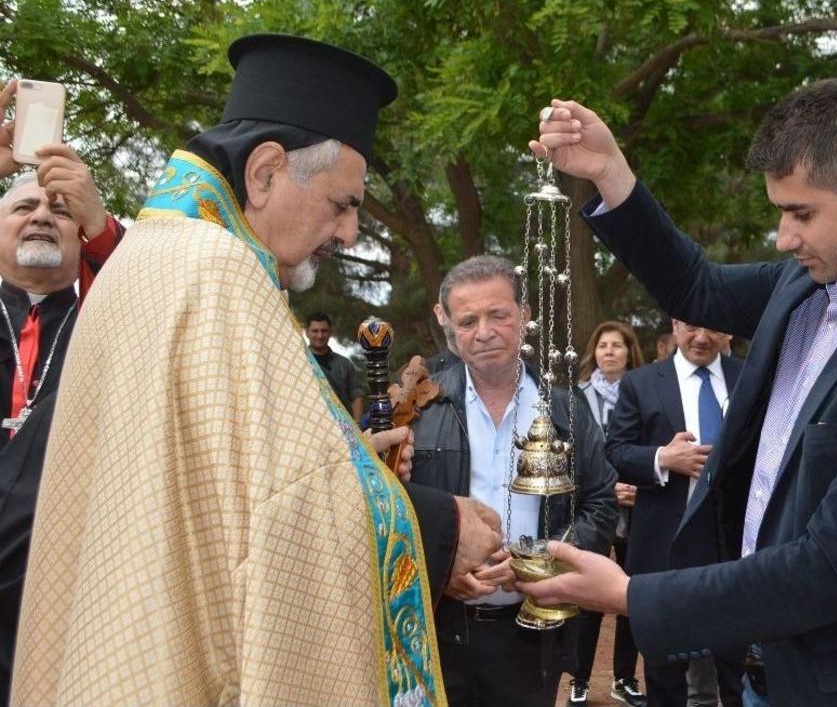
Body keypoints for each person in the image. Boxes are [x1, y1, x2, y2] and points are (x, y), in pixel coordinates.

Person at [11, 35, 503, 707]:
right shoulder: (220, 272)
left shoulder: (151, 253)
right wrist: (441, 527)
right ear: (267, 171)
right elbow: (289, 509)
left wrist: (350, 453)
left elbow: (216, 480)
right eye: (342, 203)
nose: (351, 234)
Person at [519, 79, 837, 707]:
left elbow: (831, 568)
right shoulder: (807, 283)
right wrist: (611, 173)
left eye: (800, 213)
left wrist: (628, 595)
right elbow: (696, 287)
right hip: (756, 671)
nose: (783, 237)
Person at [409, 255, 618, 707]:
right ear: (447, 324)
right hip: (439, 631)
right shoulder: (418, 409)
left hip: (532, 633)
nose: (484, 332)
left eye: (498, 315)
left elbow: (600, 503)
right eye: (468, 320)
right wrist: (441, 565)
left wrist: (539, 560)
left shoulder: (567, 410)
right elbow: (388, 506)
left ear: (524, 316)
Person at [0, 77, 126, 703]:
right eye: (24, 208)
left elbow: (151, 298)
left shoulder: (106, 314)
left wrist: (101, 221)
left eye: (59, 212)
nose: (43, 216)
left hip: (62, 583)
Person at [604, 319, 743, 707]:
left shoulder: (749, 376)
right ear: (675, 325)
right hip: (665, 547)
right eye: (691, 327)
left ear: (728, 331)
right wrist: (663, 457)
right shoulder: (642, 383)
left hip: (734, 548)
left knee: (738, 669)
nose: (701, 336)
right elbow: (615, 451)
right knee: (664, 675)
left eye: (712, 327)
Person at [569, 320, 646, 707]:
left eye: (618, 345)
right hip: (595, 509)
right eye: (603, 346)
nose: (610, 351)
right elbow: (570, 457)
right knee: (588, 597)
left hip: (638, 510)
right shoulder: (576, 397)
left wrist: (639, 485)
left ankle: (624, 678)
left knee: (630, 597)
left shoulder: (648, 393)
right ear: (594, 352)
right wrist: (603, 488)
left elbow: (656, 449)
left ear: (630, 351)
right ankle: (579, 679)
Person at [305, 312, 364, 421]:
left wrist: (358, 427)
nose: (320, 335)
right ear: (307, 332)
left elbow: (357, 396)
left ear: (330, 332)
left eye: (324, 331)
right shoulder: (301, 362)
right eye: (315, 331)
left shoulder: (344, 364)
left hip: (343, 426)